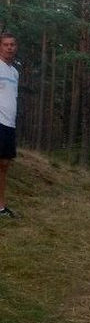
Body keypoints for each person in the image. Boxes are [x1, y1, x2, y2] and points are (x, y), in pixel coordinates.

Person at [0, 32, 19, 218]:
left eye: (12, 44)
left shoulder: (15, 72)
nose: (9, 47)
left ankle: (1, 207)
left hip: (9, 124)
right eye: (5, 44)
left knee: (4, 165)